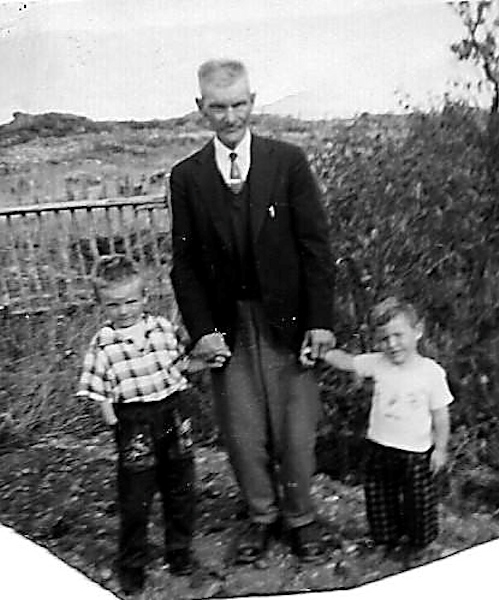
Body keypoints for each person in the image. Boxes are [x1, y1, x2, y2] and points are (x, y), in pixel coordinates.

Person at [170, 58, 335, 563]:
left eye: (239, 104)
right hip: (229, 329)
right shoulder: (188, 177)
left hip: (286, 324)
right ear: (201, 109)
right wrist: (203, 331)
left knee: (296, 431)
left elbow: (315, 248)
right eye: (218, 107)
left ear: (253, 102)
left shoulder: (288, 162)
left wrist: (321, 322)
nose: (230, 116)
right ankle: (262, 517)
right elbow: (186, 264)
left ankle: (301, 517)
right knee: (243, 434)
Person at [77, 254, 201, 595]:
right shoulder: (103, 342)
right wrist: (109, 413)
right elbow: (98, 383)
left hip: (172, 412)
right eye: (114, 304)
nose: (124, 310)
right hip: (134, 420)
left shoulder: (161, 327)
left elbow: (180, 363)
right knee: (136, 495)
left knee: (181, 485)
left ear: (144, 297)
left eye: (131, 301)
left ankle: (180, 551)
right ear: (101, 303)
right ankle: (133, 562)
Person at [302, 296, 453, 551]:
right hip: (380, 447)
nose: (392, 344)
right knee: (380, 497)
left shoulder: (431, 373)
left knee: (419, 503)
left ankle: (419, 544)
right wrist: (323, 352)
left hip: (416, 453)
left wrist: (440, 449)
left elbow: (441, 416)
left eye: (398, 335)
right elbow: (348, 362)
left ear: (417, 331)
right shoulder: (377, 362)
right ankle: (385, 540)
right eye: (384, 338)